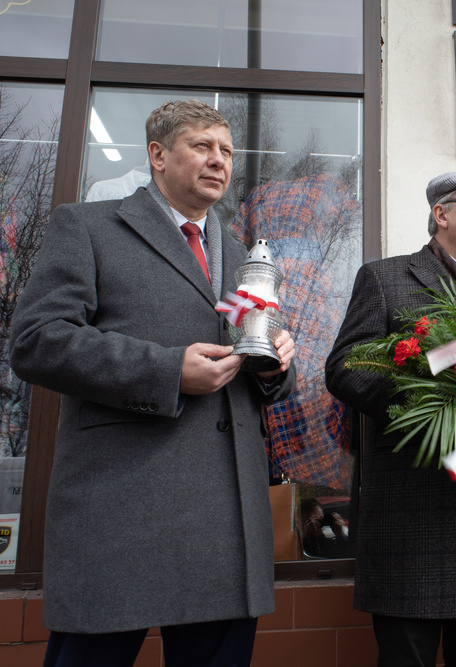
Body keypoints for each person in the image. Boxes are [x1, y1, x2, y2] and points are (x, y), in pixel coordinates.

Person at [9, 99, 297, 667]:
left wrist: (277, 365)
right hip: (123, 511)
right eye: (203, 147)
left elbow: (252, 369)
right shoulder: (88, 226)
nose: (219, 161)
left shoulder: (242, 256)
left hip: (226, 521)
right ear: (158, 155)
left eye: (228, 152)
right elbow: (36, 340)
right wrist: (166, 371)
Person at [325, 171, 456, 667]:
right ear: (441, 214)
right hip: (413, 503)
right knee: (406, 657)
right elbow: (345, 367)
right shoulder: (385, 278)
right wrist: (431, 402)